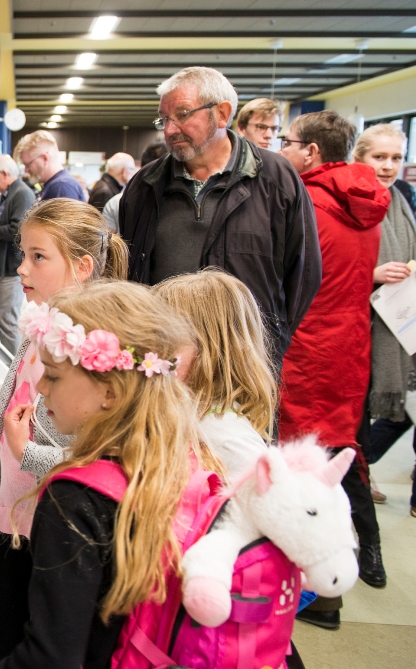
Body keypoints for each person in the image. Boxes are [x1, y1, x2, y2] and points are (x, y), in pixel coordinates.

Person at [0, 281, 203, 669]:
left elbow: (50, 658)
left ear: (109, 391)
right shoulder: (172, 465)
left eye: (53, 375)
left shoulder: (73, 501)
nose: (39, 386)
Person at [0, 199, 128, 661]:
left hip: (51, 536)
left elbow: (103, 466)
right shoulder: (40, 334)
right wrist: (0, 456)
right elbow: (22, 420)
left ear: (82, 266)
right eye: (23, 253)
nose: (22, 267)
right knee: (1, 633)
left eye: (39, 256)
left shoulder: (90, 355)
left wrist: (26, 454)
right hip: (15, 522)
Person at [119, 66, 321, 366]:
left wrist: (271, 344)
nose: (170, 130)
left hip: (244, 363)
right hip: (164, 362)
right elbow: (130, 270)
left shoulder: (275, 180)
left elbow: (303, 273)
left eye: (183, 114)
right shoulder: (145, 186)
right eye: (164, 119)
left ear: (223, 114)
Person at [277, 110, 390, 627]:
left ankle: (317, 593)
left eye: (288, 141)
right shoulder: (367, 203)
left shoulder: (308, 203)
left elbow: (288, 279)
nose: (282, 148)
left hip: (306, 347)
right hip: (348, 347)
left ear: (313, 152)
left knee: (298, 470)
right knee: (335, 460)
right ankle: (337, 578)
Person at [154, 269, 277, 478]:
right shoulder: (186, 416)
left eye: (164, 337)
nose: (151, 349)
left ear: (207, 350)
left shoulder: (231, 444)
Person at [353, 123, 416, 515]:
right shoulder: (351, 199)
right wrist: (371, 274)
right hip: (361, 323)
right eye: (379, 157)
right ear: (359, 158)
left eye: (396, 157)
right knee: (357, 414)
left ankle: (359, 473)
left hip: (399, 318)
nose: (389, 165)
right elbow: (325, 264)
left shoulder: (400, 199)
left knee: (396, 409)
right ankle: (355, 477)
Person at [0, 154, 36, 355]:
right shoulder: (12, 194)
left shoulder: (21, 194)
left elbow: (16, 231)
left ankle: (14, 369)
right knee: (5, 320)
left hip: (11, 271)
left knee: (7, 321)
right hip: (4, 270)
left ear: (4, 174)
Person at [101, 142, 166, 232]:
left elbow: (106, 239)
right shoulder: (107, 192)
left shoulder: (117, 199)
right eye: (131, 169)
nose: (134, 173)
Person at [14, 129, 86, 202]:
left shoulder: (61, 187)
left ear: (45, 158)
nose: (26, 170)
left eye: (28, 164)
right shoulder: (53, 185)